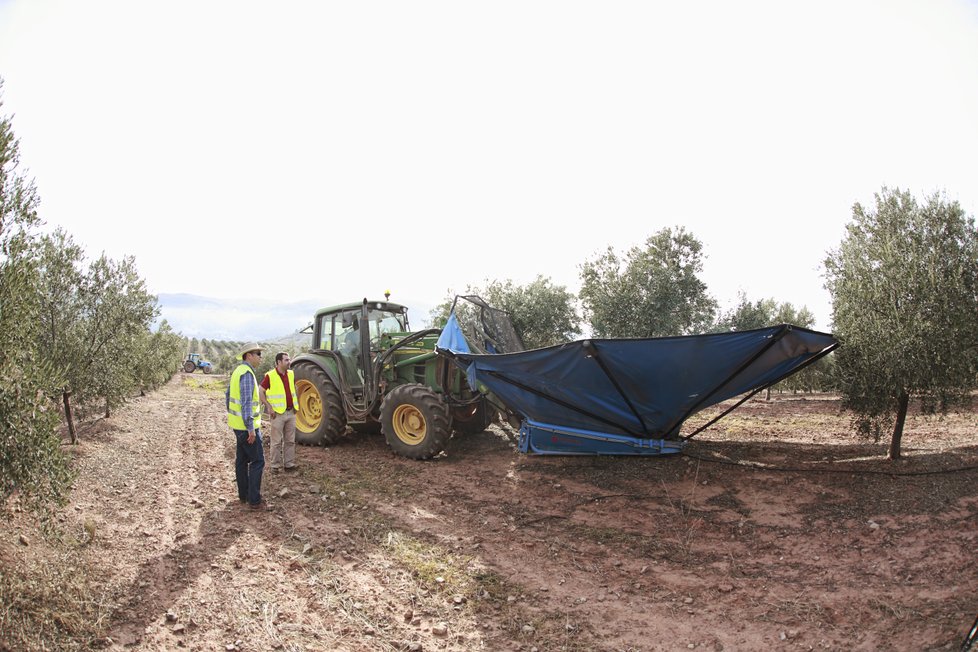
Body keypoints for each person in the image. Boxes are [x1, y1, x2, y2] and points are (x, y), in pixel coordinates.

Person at [227, 344, 266, 510]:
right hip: (246, 428)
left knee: (242, 461)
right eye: (258, 354)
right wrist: (250, 428)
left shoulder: (237, 371)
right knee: (258, 461)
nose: (260, 357)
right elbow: (246, 403)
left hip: (237, 426)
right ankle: (254, 501)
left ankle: (243, 496)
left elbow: (227, 395)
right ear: (248, 355)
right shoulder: (247, 374)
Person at [259, 351, 298, 472]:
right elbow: (260, 391)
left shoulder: (291, 374)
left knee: (290, 440)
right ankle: (275, 466)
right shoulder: (270, 376)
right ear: (278, 362)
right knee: (276, 442)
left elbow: (294, 389)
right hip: (277, 414)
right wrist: (268, 406)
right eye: (286, 360)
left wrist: (296, 404)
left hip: (291, 412)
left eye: (289, 359)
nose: (289, 362)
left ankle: (289, 464)